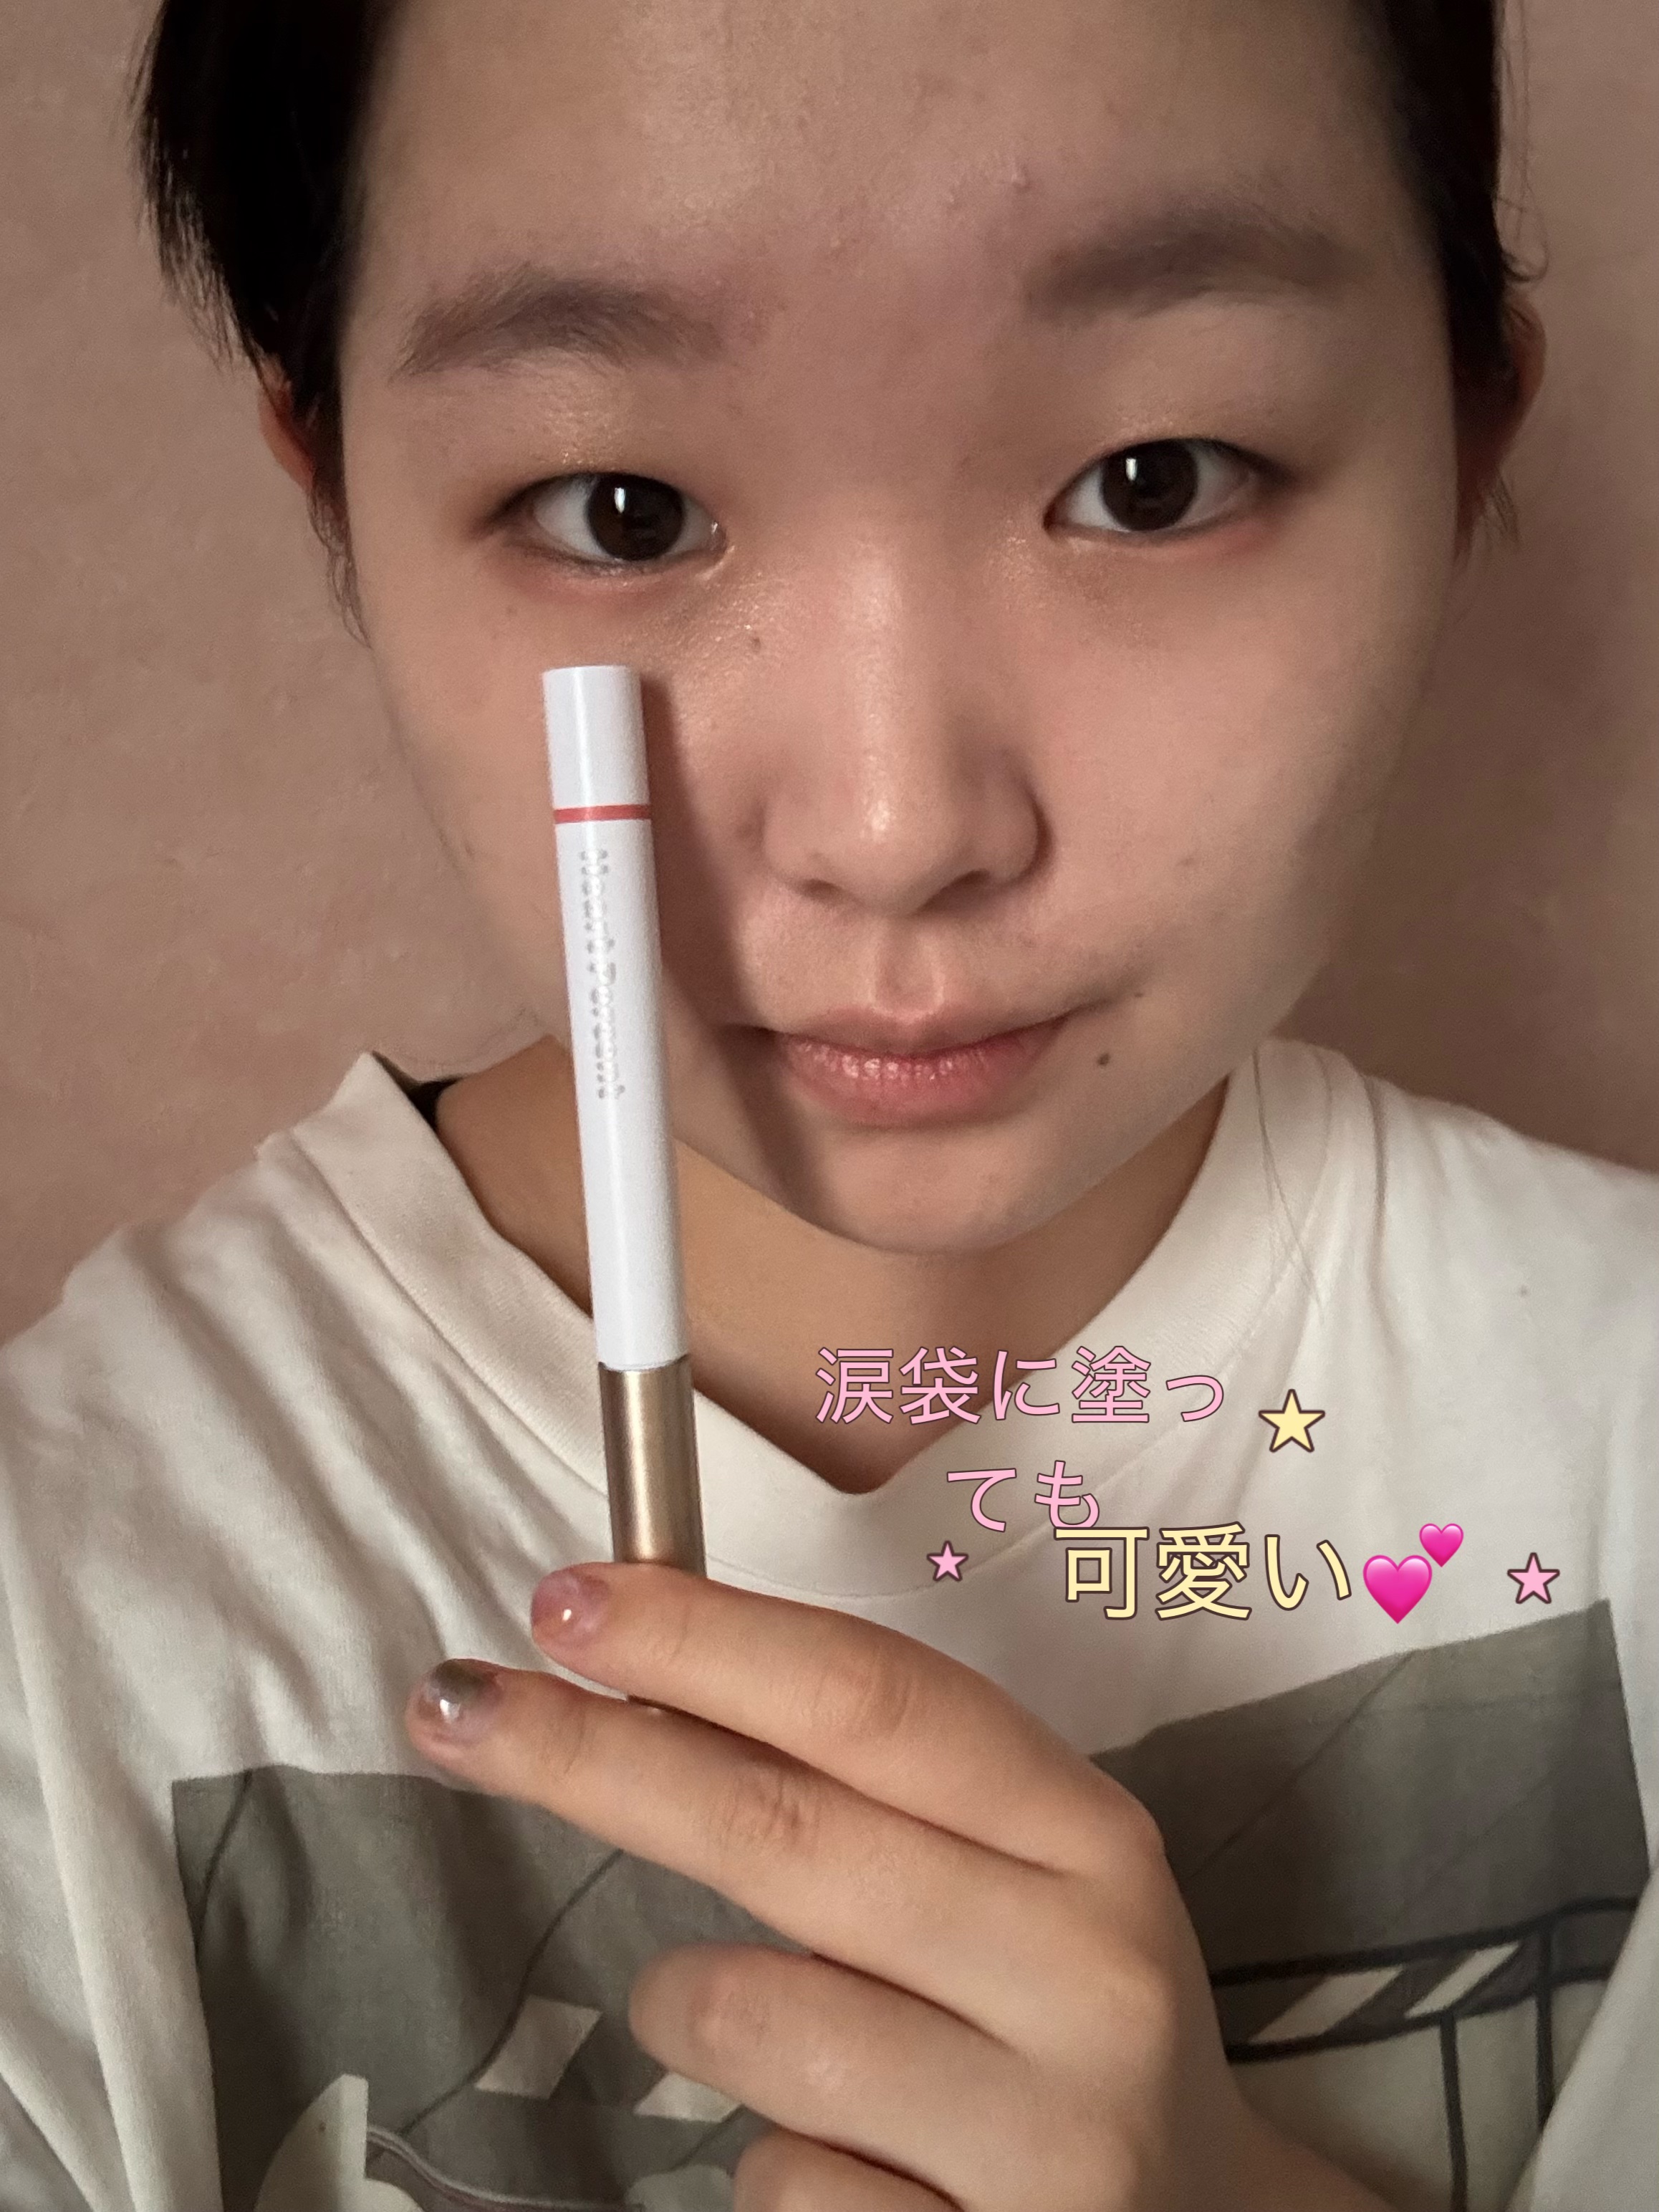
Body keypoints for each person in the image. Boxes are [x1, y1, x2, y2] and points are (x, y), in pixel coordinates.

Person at [0, 0, 1653, 2206]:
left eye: (1151, 481)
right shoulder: (60, 1622)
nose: (895, 829)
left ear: (1460, 447)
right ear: (342, 502)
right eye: (623, 510)